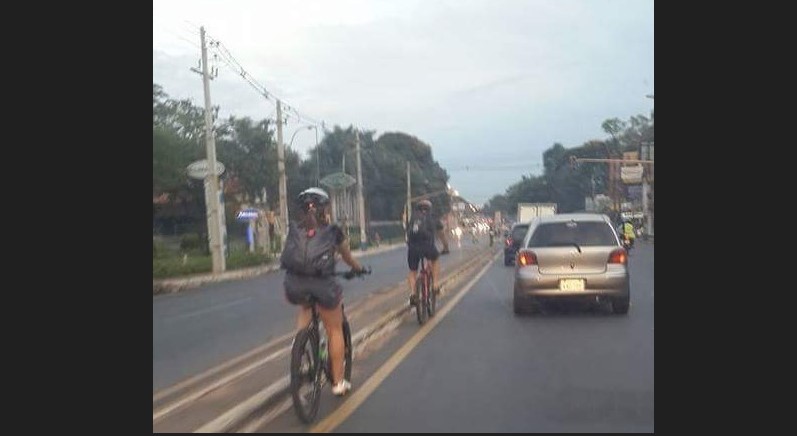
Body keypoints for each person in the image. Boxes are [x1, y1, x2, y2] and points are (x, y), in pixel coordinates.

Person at [282, 187, 366, 396]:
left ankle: (299, 349)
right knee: (334, 330)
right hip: (323, 286)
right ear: (324, 209)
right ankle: (338, 383)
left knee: (306, 305)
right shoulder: (332, 231)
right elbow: (347, 256)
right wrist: (358, 269)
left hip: (294, 286)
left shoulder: (294, 230)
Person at [406, 199, 449, 307]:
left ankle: (413, 294)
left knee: (413, 271)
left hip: (413, 247)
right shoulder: (433, 217)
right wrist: (445, 247)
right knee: (435, 259)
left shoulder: (413, 218)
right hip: (428, 246)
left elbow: (408, 234)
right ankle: (435, 286)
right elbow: (442, 235)